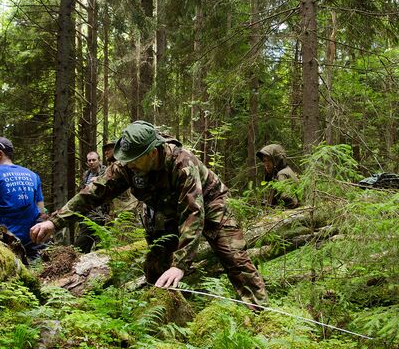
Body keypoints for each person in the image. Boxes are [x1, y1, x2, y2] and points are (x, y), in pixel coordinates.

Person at [31, 121, 267, 309]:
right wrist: (55, 221)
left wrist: (181, 264)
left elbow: (193, 213)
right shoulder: (127, 163)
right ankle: (167, 311)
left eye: (134, 160)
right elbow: (94, 192)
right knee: (156, 264)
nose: (127, 165)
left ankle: (259, 311)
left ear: (153, 153)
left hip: (209, 201)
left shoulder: (182, 164)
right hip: (166, 210)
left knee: (232, 255)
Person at [0, 137, 45, 259]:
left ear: (0, 154)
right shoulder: (33, 175)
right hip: (31, 238)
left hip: (5, 239)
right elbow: (41, 210)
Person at [74, 151, 109, 253]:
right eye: (89, 160)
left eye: (94, 160)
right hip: (88, 213)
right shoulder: (86, 174)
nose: (91, 162)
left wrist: (99, 180)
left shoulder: (107, 172)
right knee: (82, 245)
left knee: (101, 247)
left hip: (103, 214)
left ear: (99, 160)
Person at [256, 144, 299, 208]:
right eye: (264, 161)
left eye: (269, 160)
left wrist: (276, 208)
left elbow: (290, 201)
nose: (266, 164)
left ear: (277, 160)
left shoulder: (282, 174)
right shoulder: (286, 170)